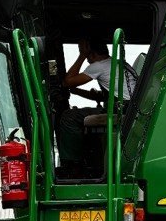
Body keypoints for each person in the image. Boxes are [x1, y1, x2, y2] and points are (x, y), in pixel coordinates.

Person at [56, 38, 137, 175]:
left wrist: (81, 55)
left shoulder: (99, 65)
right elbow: (103, 97)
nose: (87, 60)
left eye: (87, 56)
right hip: (128, 108)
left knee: (69, 116)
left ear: (91, 53)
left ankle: (73, 165)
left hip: (121, 110)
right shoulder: (118, 63)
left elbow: (67, 82)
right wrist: (77, 92)